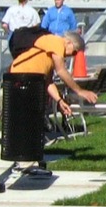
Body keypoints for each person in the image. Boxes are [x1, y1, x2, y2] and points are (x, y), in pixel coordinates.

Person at [8, 29, 98, 176]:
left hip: (32, 81)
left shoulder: (49, 53)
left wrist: (60, 100)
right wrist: (79, 91)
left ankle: (29, 161)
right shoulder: (56, 42)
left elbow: (48, 81)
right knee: (28, 122)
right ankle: (22, 164)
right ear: (68, 42)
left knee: (34, 122)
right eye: (74, 52)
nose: (72, 56)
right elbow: (61, 71)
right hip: (23, 78)